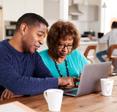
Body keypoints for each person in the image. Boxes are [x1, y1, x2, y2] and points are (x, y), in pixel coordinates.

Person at [0, 13, 75, 100]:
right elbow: (17, 84)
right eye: (39, 35)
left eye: (43, 37)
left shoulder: (33, 55)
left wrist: (25, 89)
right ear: (24, 28)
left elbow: (49, 80)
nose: (42, 42)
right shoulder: (2, 52)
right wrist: (60, 80)